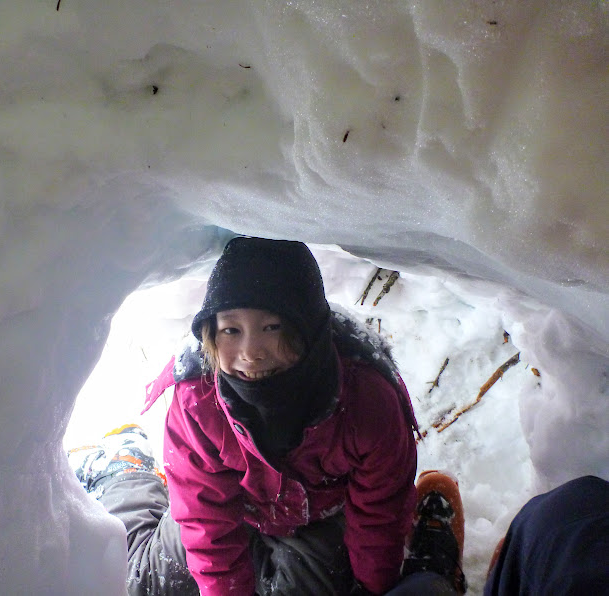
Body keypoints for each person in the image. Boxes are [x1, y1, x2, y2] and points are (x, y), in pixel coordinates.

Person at [72, 236, 424, 595]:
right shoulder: (199, 396)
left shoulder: (366, 398)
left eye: (272, 327)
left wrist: (373, 589)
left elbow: (381, 513)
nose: (251, 353)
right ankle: (126, 469)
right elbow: (205, 516)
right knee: (144, 583)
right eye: (231, 330)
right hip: (233, 507)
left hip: (316, 517)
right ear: (211, 334)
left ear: (309, 330)